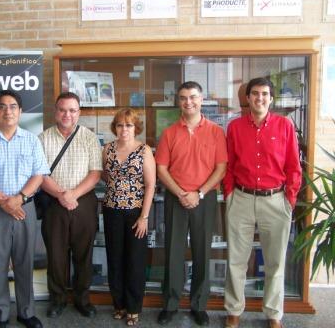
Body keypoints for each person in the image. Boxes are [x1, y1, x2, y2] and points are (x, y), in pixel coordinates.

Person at [223, 77, 302, 328]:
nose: (259, 98)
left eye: (265, 94)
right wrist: (229, 194)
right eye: (255, 93)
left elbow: (293, 166)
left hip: (276, 201)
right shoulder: (235, 127)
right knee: (236, 260)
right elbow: (229, 165)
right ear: (247, 98)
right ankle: (234, 310)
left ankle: (273, 314)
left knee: (275, 261)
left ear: (271, 98)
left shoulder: (285, 126)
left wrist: (289, 199)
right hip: (242, 199)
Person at [0, 89, 49, 328]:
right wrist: (6, 202)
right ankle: (0, 314)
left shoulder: (31, 139)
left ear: (20, 111)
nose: (8, 111)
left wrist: (20, 198)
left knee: (25, 261)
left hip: (25, 208)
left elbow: (39, 174)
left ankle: (26, 312)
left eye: (13, 106)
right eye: (2, 106)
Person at [155, 81, 227, 326]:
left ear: (201, 99)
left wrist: (199, 193)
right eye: (184, 98)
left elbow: (221, 169)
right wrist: (181, 193)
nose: (189, 102)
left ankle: (199, 304)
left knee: (202, 252)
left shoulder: (216, 131)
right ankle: (171, 304)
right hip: (175, 199)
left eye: (193, 97)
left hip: (204, 200)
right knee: (173, 253)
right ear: (179, 101)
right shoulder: (169, 133)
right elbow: (161, 168)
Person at [38, 92, 102, 319]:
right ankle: (57, 299)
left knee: (84, 254)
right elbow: (40, 174)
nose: (67, 114)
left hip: (83, 201)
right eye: (63, 109)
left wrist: (73, 194)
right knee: (56, 255)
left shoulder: (89, 137)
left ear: (79, 113)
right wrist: (61, 195)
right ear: (56, 112)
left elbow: (95, 173)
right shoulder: (43, 138)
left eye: (72, 110)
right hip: (54, 202)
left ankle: (82, 299)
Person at [102, 108, 156, 326]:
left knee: (135, 260)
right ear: (115, 127)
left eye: (129, 125)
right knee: (115, 259)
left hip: (136, 213)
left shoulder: (144, 150)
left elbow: (151, 185)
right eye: (120, 125)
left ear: (136, 127)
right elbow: (106, 176)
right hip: (111, 210)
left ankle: (133, 307)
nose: (124, 129)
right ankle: (119, 304)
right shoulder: (107, 149)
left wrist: (144, 217)